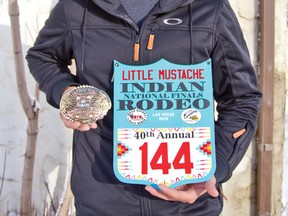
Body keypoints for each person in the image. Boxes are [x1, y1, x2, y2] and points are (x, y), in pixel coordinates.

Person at [26, 0, 262, 215]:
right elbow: (43, 56)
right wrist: (66, 93)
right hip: (101, 198)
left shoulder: (210, 7)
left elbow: (241, 99)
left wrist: (215, 166)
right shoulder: (76, 6)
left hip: (188, 204)